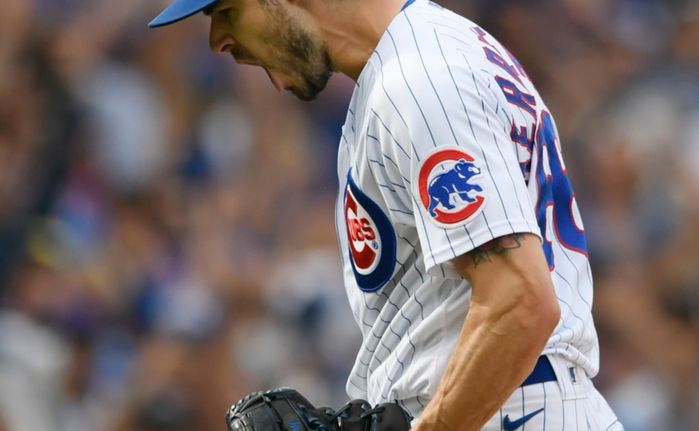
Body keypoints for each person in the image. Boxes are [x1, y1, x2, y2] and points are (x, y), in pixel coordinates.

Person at [149, 0, 624, 429]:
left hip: (509, 410)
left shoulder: (419, 80)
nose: (217, 42)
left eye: (226, 10)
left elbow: (520, 300)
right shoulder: (417, 61)